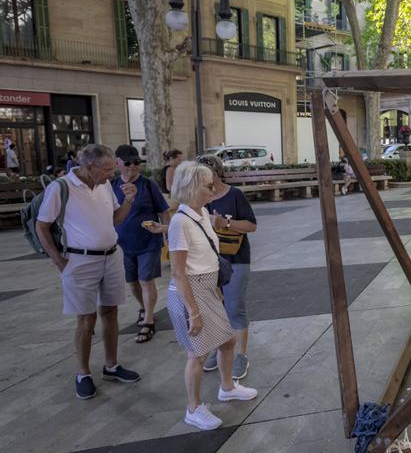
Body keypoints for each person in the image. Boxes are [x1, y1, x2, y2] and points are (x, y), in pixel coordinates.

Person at [35, 144, 141, 399]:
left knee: (111, 312)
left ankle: (111, 365)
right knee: (86, 318)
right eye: (106, 169)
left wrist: (129, 200)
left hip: (111, 255)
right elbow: (42, 226)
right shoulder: (61, 187)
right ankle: (83, 373)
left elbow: (115, 219)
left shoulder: (104, 185)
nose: (112, 175)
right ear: (88, 167)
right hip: (80, 261)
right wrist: (59, 261)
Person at [166, 161, 258, 430]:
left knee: (228, 341)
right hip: (190, 291)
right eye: (208, 185)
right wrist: (193, 310)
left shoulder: (203, 214)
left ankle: (227, 387)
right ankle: (193, 408)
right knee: (197, 353)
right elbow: (178, 272)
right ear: (192, 187)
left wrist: (215, 285)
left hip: (208, 287)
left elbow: (208, 255)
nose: (213, 188)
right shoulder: (180, 222)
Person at [196, 155, 258, 381]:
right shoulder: (199, 197)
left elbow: (251, 225)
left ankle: (241, 354)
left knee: (234, 308)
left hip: (236, 259)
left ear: (216, 172)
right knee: (214, 309)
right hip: (207, 262)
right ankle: (220, 349)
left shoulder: (235, 195)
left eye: (205, 172)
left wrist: (226, 223)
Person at [112, 145, 170, 343]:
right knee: (133, 282)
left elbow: (163, 209)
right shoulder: (111, 186)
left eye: (137, 162)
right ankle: (143, 307)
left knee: (146, 280)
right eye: (128, 163)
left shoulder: (148, 185)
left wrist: (166, 231)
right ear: (118, 163)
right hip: (122, 243)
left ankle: (148, 320)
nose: (133, 166)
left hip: (148, 241)